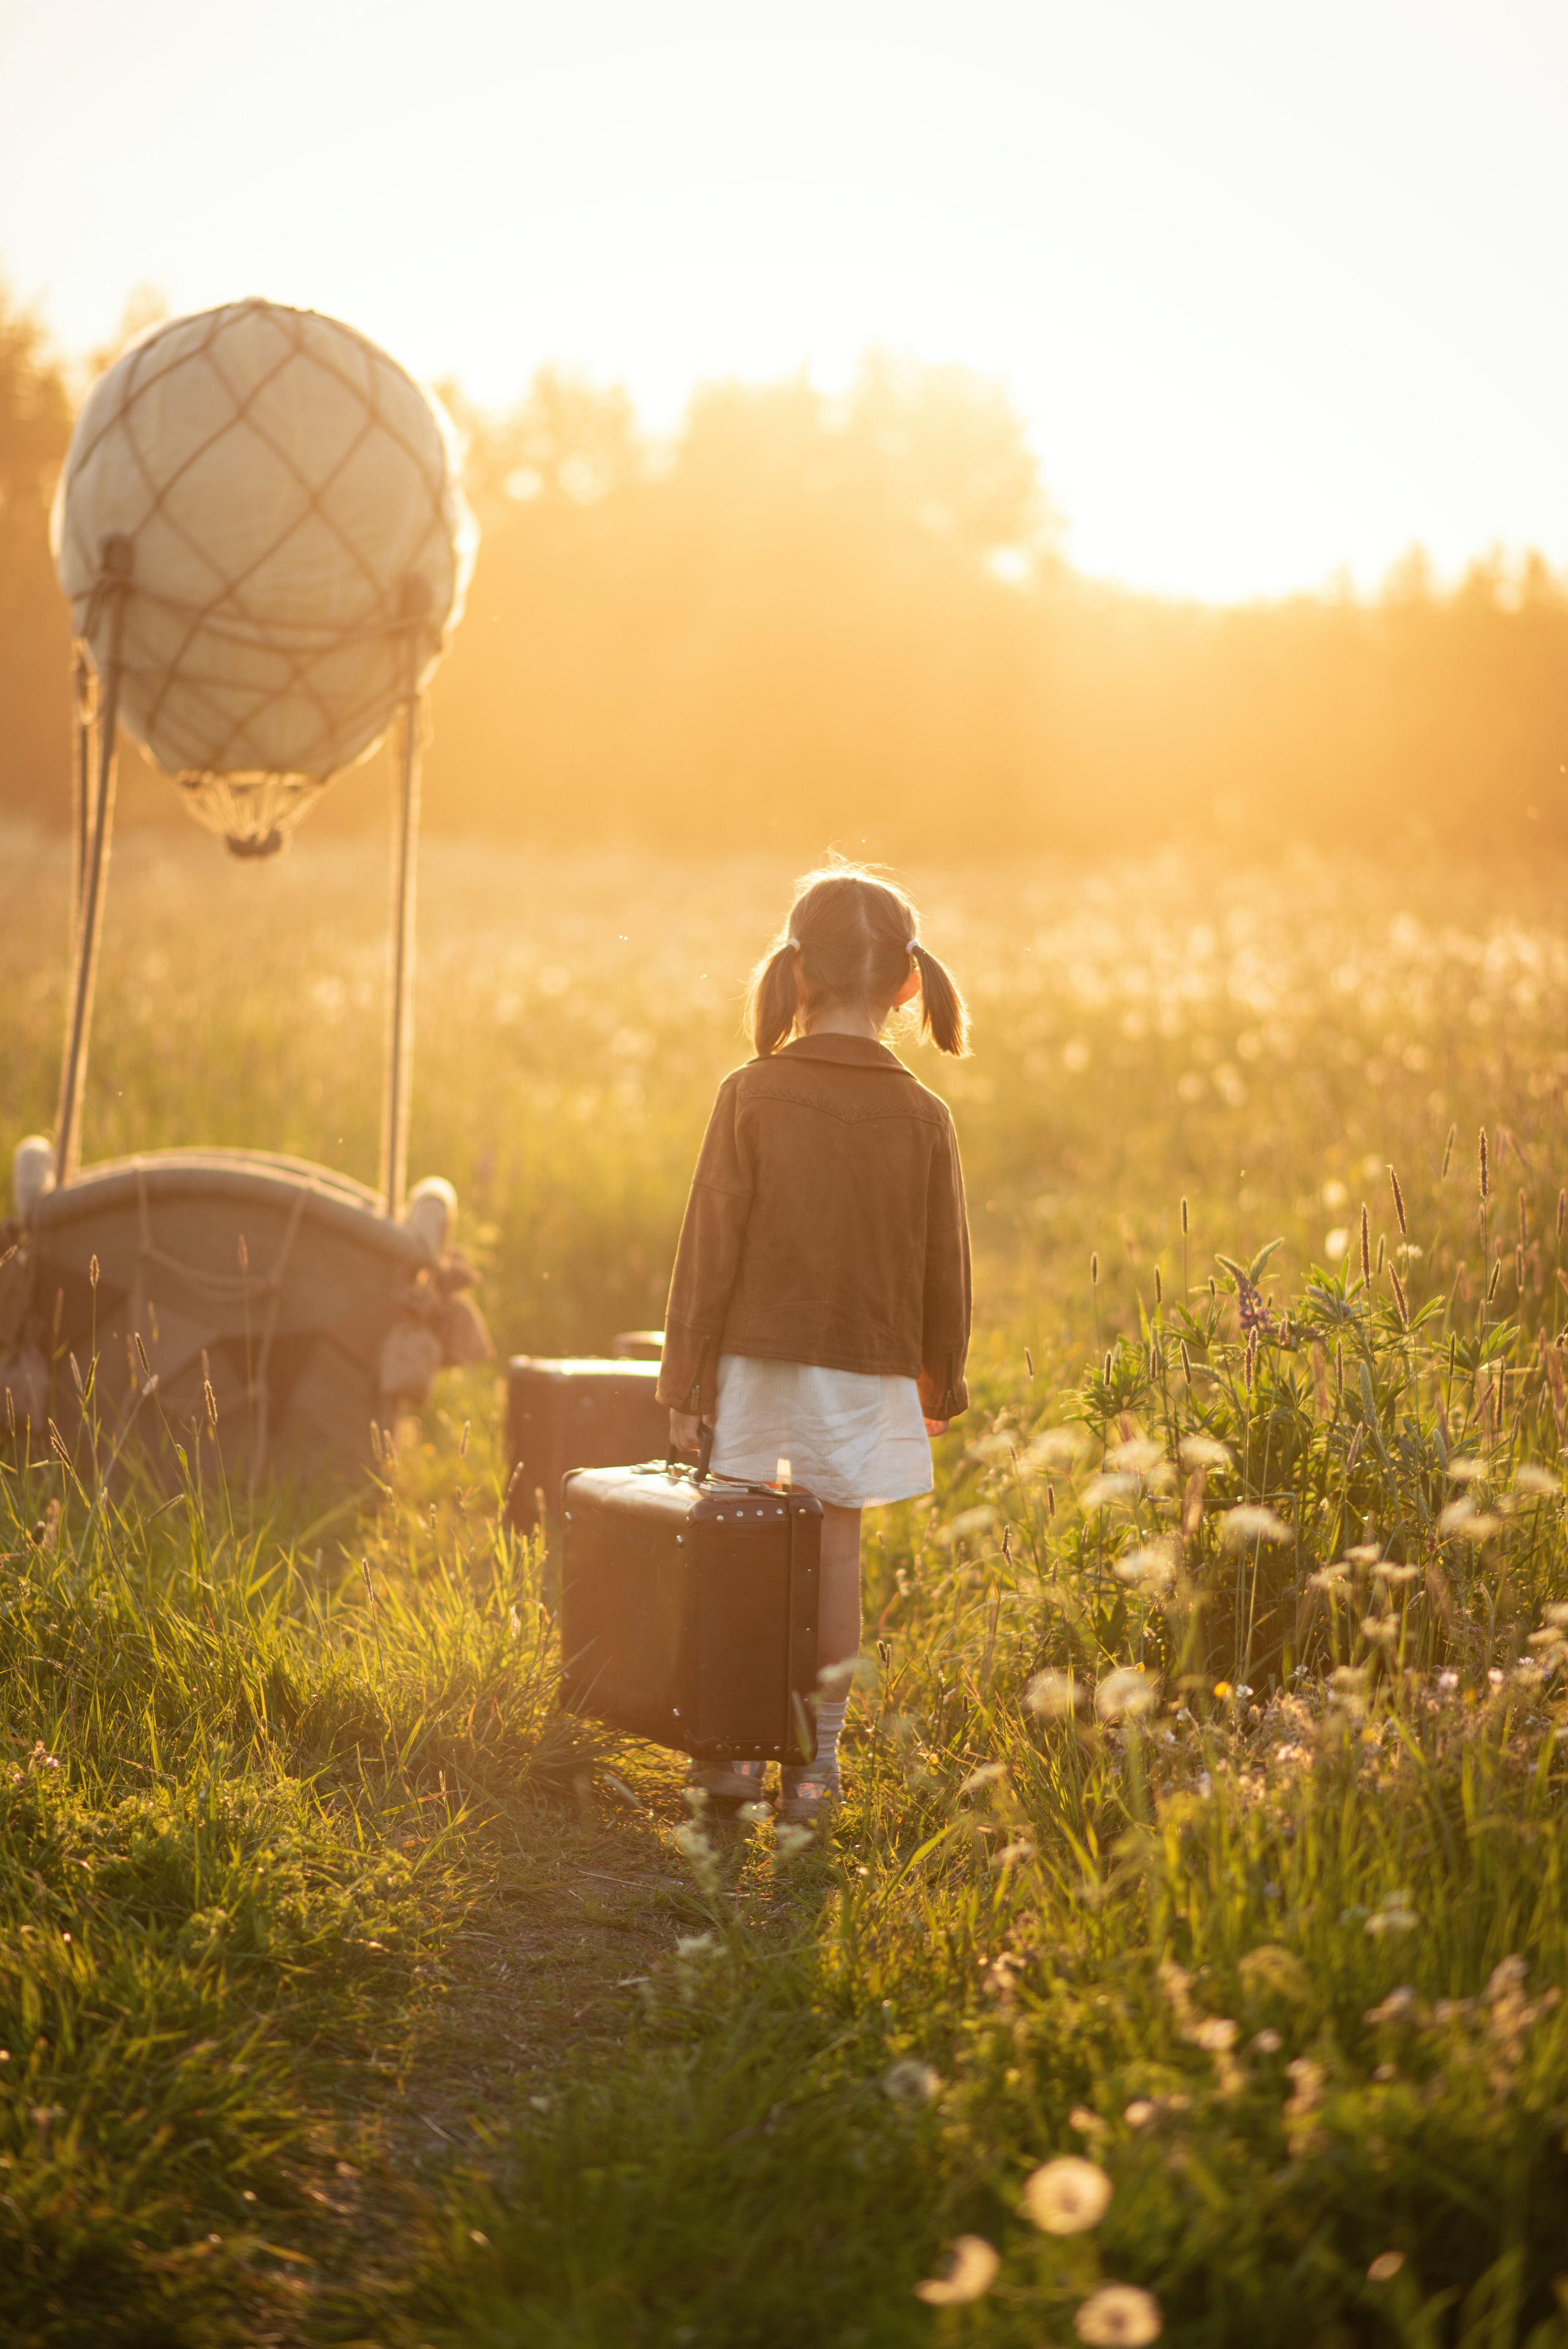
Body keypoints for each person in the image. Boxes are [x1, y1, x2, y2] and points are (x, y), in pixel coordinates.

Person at [658, 861, 973, 1821]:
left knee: (745, 1550)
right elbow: (943, 1268)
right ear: (908, 985)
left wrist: (686, 1377)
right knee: (837, 1556)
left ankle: (730, 1760)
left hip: (754, 1359)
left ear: (798, 975)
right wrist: (939, 1382)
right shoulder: (926, 1115)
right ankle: (817, 1772)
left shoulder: (748, 1093)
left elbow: (709, 1246)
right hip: (869, 1365)